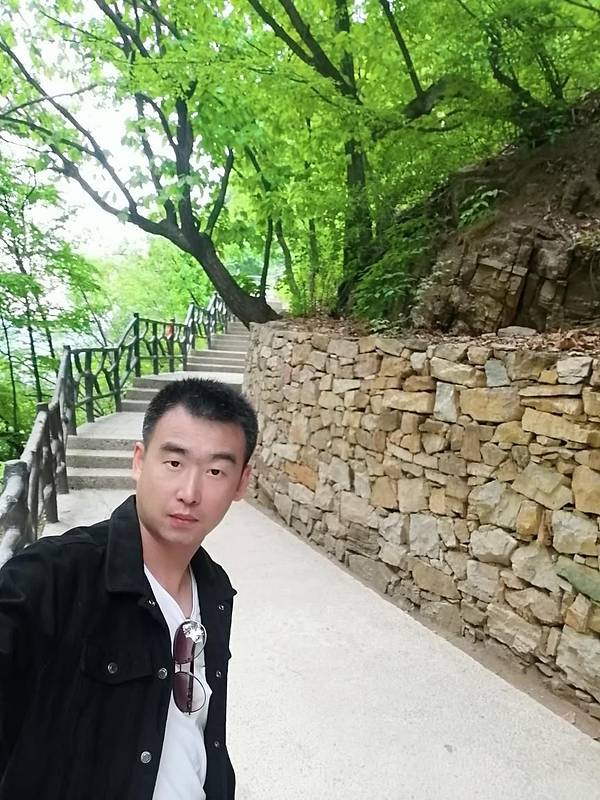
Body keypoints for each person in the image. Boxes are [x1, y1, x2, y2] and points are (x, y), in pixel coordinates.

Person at [0, 377, 257, 800]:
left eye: (215, 471)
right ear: (139, 461)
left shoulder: (214, 590)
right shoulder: (54, 576)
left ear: (241, 483)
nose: (189, 492)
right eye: (173, 463)